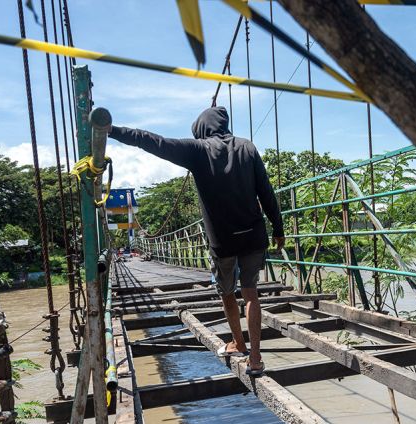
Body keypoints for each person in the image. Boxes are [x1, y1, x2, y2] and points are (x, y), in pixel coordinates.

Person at [108, 107, 284, 376]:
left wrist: (111, 130)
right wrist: (278, 228)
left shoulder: (197, 150)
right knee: (251, 293)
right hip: (253, 234)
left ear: (201, 129)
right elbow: (266, 192)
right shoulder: (247, 147)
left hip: (222, 240)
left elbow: (152, 141)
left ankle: (238, 343)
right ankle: (256, 359)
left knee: (227, 291)